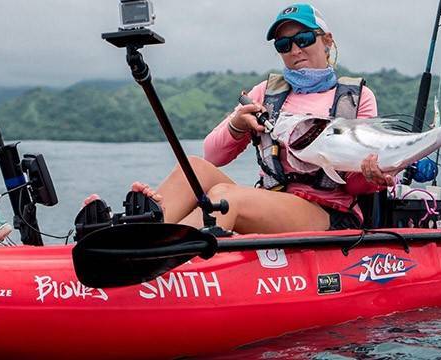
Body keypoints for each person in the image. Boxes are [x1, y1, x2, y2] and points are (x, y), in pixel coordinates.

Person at [84, 3, 396, 234]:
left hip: (328, 213)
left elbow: (357, 185)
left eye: (303, 39)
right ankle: (136, 232)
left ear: (326, 40)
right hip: (271, 199)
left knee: (224, 198)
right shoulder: (265, 92)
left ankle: (157, 251)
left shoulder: (356, 98)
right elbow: (212, 155)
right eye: (284, 44)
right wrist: (237, 125)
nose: (294, 50)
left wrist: (372, 174)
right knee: (193, 166)